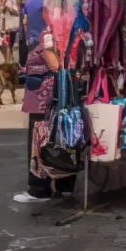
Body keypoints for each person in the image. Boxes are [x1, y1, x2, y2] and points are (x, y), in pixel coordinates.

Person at [15, 26, 77, 203]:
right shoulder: (70, 31)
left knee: (40, 140)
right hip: (60, 95)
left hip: (44, 98)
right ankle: (64, 184)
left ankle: (39, 187)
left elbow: (55, 64)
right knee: (62, 137)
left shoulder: (49, 34)